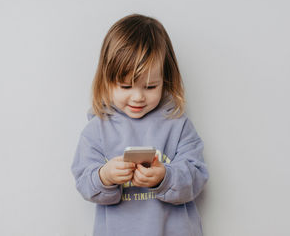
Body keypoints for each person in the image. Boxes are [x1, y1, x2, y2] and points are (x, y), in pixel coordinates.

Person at [71, 13, 209, 236]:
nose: (138, 97)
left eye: (150, 86)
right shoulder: (97, 130)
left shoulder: (178, 125)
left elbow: (197, 177)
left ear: (166, 80)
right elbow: (84, 183)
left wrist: (165, 177)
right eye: (126, 87)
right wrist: (104, 176)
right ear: (106, 82)